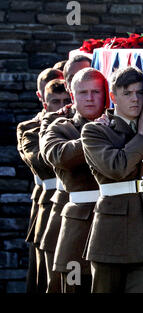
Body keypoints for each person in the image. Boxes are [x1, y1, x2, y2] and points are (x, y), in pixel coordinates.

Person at [81, 66, 143, 293]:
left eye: (140, 93)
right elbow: (116, 167)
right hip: (111, 234)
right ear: (113, 97)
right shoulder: (95, 131)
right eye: (127, 93)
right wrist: (141, 138)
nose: (135, 99)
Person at [41, 68, 107, 293]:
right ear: (72, 95)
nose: (89, 98)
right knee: (74, 286)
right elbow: (59, 156)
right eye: (83, 92)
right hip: (78, 229)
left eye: (96, 92)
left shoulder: (120, 126)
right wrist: (96, 134)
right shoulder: (60, 128)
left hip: (118, 227)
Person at [19, 68, 64, 293]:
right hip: (49, 211)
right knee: (47, 280)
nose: (62, 106)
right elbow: (43, 162)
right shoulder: (29, 129)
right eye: (55, 101)